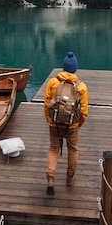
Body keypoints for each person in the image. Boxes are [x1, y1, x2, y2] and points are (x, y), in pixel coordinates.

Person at [44, 51, 88, 195]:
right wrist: (77, 124)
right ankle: (69, 179)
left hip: (54, 123)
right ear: (75, 68)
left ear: (63, 67)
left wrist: (49, 120)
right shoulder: (81, 87)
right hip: (72, 125)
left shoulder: (53, 82)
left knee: (53, 149)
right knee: (73, 150)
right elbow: (84, 111)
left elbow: (46, 104)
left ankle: (51, 178)